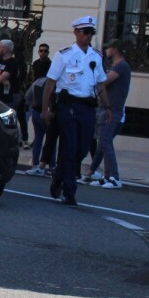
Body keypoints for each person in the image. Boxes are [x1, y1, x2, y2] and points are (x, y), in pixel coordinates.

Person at [42, 15, 109, 206]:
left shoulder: (95, 56)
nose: (89, 36)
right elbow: (50, 83)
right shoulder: (64, 55)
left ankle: (58, 174)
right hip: (67, 107)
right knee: (70, 147)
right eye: (86, 32)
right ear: (76, 33)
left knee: (82, 148)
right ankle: (69, 191)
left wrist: (108, 107)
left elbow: (101, 84)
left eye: (91, 33)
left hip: (87, 107)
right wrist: (46, 108)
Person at [85, 38, 131, 189]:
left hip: (112, 110)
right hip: (104, 108)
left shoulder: (122, 66)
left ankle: (115, 177)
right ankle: (106, 176)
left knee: (104, 142)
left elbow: (103, 81)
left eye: (108, 48)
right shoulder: (115, 66)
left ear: (115, 50)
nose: (106, 50)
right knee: (104, 143)